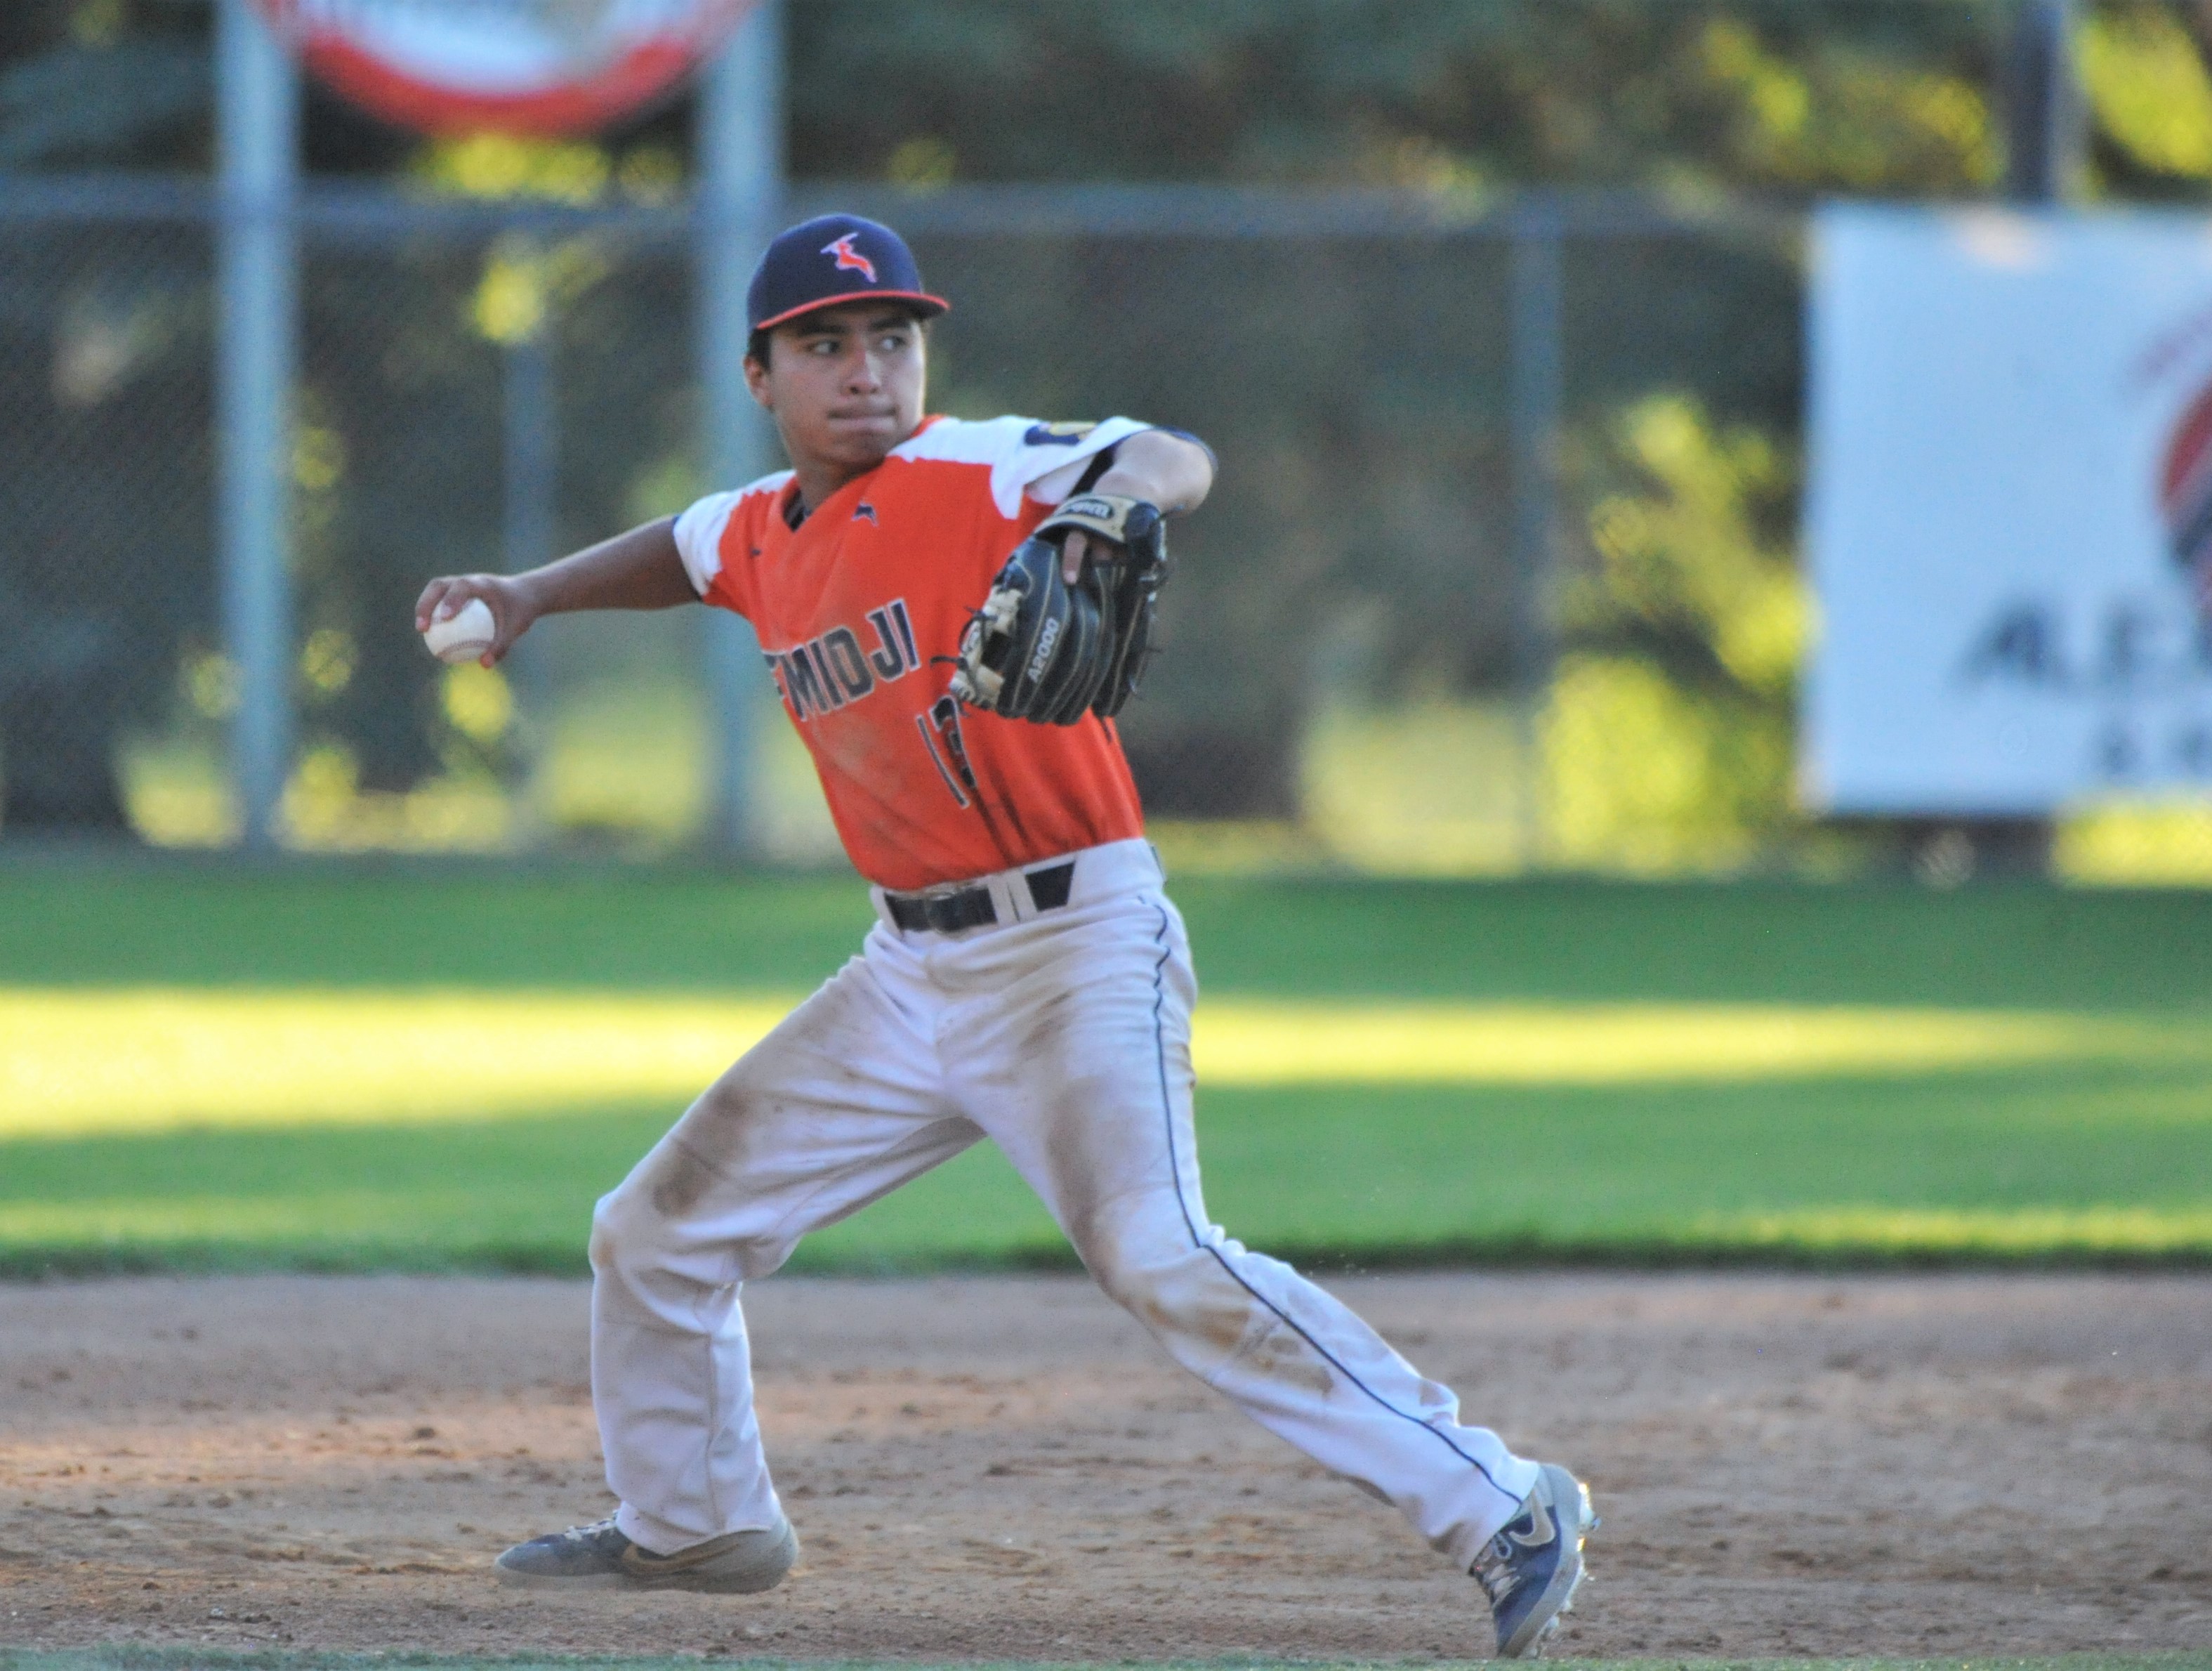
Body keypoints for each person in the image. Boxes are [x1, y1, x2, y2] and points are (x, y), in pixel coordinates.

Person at [413, 213, 1593, 1658]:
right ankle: (698, 1521)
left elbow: (1172, 454)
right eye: (825, 345)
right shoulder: (759, 528)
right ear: (762, 377)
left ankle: (1503, 1503)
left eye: (892, 339)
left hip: (1073, 944)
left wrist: (1112, 502)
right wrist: (529, 594)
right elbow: (682, 546)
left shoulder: (977, 464)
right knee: (653, 1232)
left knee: (1160, 1250)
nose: (867, 370)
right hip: (906, 973)